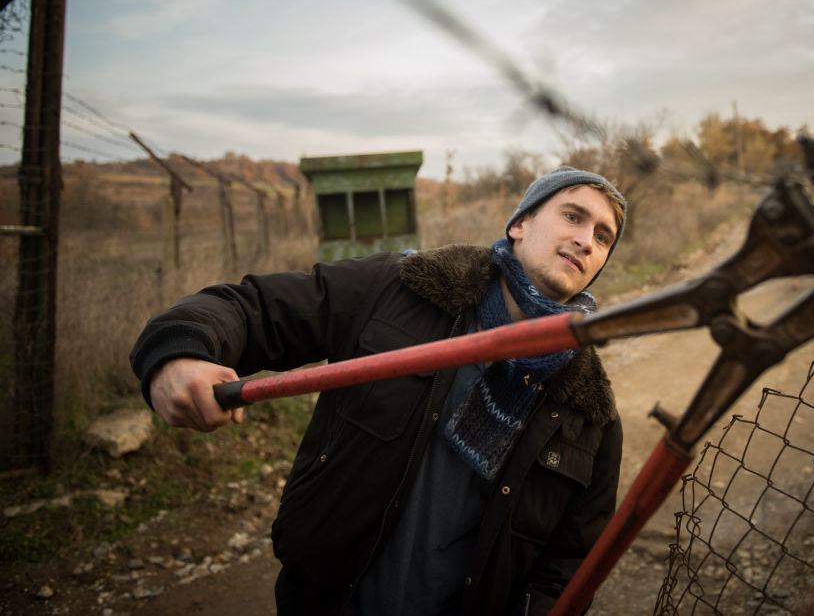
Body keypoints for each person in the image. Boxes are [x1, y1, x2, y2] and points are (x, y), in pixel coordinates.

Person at [129, 167, 628, 616]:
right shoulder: (400, 289)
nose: (586, 240)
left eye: (602, 237)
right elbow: (254, 308)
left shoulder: (589, 412)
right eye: (572, 216)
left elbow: (569, 564)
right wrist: (179, 353)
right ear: (520, 223)